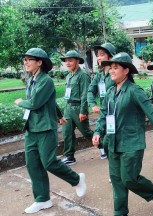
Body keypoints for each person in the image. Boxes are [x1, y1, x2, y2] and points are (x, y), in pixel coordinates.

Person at [92, 52, 153, 216]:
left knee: (129, 179)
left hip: (131, 143)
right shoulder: (111, 92)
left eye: (115, 68)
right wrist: (98, 131)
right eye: (110, 68)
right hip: (112, 143)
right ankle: (120, 212)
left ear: (126, 70)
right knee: (117, 182)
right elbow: (104, 114)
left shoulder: (134, 91)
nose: (111, 71)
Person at [15, 48, 86, 214]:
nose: (26, 62)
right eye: (25, 59)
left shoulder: (45, 80)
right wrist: (60, 115)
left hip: (45, 128)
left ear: (39, 62)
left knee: (49, 162)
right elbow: (51, 102)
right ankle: (42, 199)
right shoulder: (32, 80)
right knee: (33, 165)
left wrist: (20, 102)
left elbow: (35, 103)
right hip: (31, 128)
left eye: (29, 59)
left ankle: (77, 179)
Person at [60, 50, 93, 165]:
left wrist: (83, 111)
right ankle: (69, 156)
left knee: (86, 133)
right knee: (66, 132)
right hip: (68, 107)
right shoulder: (69, 76)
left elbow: (85, 94)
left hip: (78, 108)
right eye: (66, 61)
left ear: (77, 61)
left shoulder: (83, 75)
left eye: (70, 60)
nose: (67, 63)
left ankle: (106, 147)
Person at [87, 42, 116, 159]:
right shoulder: (99, 76)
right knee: (105, 138)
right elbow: (90, 91)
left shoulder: (115, 73)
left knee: (113, 139)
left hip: (115, 111)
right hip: (104, 112)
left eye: (102, 54)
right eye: (97, 55)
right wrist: (93, 104)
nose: (98, 57)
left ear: (110, 56)